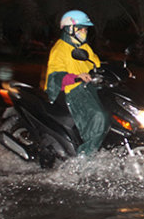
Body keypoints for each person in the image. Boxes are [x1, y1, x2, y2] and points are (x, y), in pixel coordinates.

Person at [44, 10, 110, 155]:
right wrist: (76, 77)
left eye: (86, 29)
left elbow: (96, 64)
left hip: (89, 88)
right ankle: (84, 158)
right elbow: (55, 77)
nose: (84, 32)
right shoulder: (59, 49)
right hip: (72, 92)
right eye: (82, 29)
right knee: (99, 117)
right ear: (70, 29)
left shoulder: (84, 47)